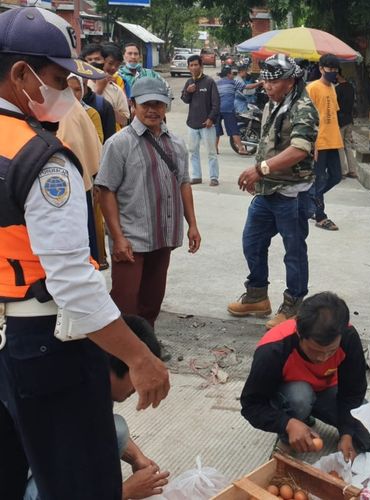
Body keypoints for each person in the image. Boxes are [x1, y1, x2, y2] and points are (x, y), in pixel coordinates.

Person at [0, 7, 170, 500]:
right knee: (82, 484)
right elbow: (72, 282)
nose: (66, 91)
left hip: (7, 341)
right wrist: (139, 358)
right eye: (57, 78)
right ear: (19, 74)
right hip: (47, 343)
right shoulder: (43, 160)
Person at [24, 314, 171, 500]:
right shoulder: (60, 397)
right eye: (139, 373)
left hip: (48, 459)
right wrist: (124, 491)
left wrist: (136, 457)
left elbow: (103, 428)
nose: (138, 388)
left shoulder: (88, 377)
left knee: (117, 428)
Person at [96, 77, 201, 328]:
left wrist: (193, 225)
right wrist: (117, 237)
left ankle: (146, 347)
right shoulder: (119, 144)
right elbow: (105, 190)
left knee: (152, 300)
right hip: (131, 238)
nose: (153, 110)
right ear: (133, 105)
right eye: (146, 104)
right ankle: (120, 358)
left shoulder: (176, 143)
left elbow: (184, 183)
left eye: (159, 104)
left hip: (163, 235)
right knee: (125, 302)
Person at [227, 54, 318, 330]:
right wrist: (259, 173)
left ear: (290, 81)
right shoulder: (273, 104)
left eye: (273, 81)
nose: (267, 86)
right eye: (265, 81)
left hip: (292, 193)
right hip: (268, 191)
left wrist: (260, 170)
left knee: (294, 251)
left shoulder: (303, 108)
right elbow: (269, 143)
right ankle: (257, 296)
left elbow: (299, 149)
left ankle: (294, 305)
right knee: (252, 241)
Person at [240, 292, 370, 460]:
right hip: (290, 396)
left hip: (328, 391)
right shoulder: (273, 349)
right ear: (299, 334)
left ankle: (308, 416)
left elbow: (353, 392)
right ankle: (290, 435)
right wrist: (287, 423)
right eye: (314, 351)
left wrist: (346, 433)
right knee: (300, 397)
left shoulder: (348, 337)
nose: (322, 358)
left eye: (330, 351)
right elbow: (251, 405)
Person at [58, 74, 104, 264]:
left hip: (75, 186)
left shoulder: (77, 112)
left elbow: (92, 148)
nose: (71, 94)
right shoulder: (54, 110)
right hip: (67, 187)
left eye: (76, 89)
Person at [307, 54, 344, 231]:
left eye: (336, 70)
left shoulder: (333, 88)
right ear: (321, 69)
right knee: (320, 178)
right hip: (319, 142)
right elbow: (308, 117)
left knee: (336, 176)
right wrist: (312, 143)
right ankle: (320, 216)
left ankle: (310, 198)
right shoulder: (312, 88)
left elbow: (332, 113)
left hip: (333, 140)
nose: (333, 73)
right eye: (330, 69)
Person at [181, 54, 220, 186]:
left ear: (201, 66)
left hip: (207, 125)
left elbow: (216, 103)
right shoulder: (189, 82)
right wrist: (188, 91)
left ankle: (214, 177)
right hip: (192, 124)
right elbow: (185, 100)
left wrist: (211, 118)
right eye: (191, 65)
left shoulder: (209, 82)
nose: (193, 67)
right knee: (193, 152)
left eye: (196, 64)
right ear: (188, 67)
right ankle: (196, 176)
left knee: (211, 152)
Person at [85, 44, 130, 131]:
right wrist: (99, 90)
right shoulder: (84, 84)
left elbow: (125, 120)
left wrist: (109, 110)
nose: (113, 68)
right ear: (102, 60)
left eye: (117, 65)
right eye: (110, 63)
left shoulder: (116, 89)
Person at [215, 65, 250, 156]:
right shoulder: (233, 82)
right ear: (228, 74)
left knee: (216, 130)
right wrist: (260, 83)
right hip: (228, 109)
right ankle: (241, 148)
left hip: (216, 109)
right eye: (232, 73)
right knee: (234, 129)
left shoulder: (217, 83)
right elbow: (247, 87)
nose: (233, 75)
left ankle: (214, 149)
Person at [335, 73, 357, 179]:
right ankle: (352, 170)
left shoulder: (337, 89)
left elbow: (335, 106)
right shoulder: (351, 87)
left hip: (340, 120)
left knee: (339, 146)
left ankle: (342, 171)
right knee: (348, 145)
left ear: (338, 76)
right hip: (349, 120)